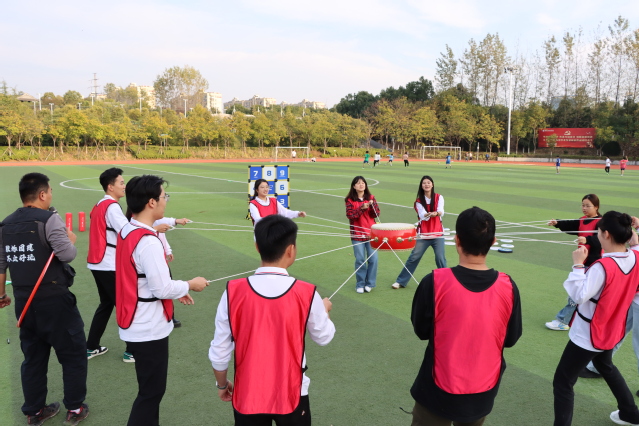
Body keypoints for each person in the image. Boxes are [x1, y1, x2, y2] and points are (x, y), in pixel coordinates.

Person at [209, 215, 335, 425]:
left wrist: (222, 385)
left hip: (248, 393)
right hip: (293, 392)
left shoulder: (233, 291)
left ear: (257, 247)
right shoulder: (306, 293)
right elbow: (324, 337)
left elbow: (220, 350)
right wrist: (324, 310)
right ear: (291, 250)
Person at [409, 206, 522, 426]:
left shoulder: (434, 281)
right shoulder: (508, 286)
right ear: (493, 242)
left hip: (435, 391)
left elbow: (421, 331)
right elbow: (511, 338)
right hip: (483, 390)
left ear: (457, 240)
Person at [116, 175, 209, 426]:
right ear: (151, 202)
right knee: (151, 393)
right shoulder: (147, 240)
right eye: (163, 196)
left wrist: (177, 290)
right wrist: (189, 284)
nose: (165, 200)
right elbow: (161, 288)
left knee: (149, 391)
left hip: (136, 319)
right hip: (147, 325)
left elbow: (148, 280)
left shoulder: (128, 229)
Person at [0, 173, 89, 425]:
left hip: (24, 302)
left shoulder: (5, 224)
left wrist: (2, 294)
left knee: (33, 358)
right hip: (55, 301)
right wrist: (71, 239)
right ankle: (75, 408)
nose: (51, 195)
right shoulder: (49, 219)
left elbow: (1, 263)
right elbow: (67, 254)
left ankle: (35, 411)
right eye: (49, 191)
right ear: (41, 194)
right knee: (72, 354)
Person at [553, 211, 639, 426]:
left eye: (598, 231)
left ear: (606, 234)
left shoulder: (602, 267)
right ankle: (630, 413)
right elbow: (636, 246)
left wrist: (578, 264)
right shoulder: (635, 256)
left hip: (590, 333)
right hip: (612, 328)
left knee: (563, 382)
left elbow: (578, 296)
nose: (596, 235)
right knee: (605, 365)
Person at [86, 167, 133, 362]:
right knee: (125, 305)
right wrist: (152, 227)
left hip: (98, 263)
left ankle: (91, 346)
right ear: (110, 187)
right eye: (121, 183)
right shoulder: (112, 207)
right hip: (108, 263)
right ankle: (131, 350)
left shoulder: (100, 204)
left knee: (106, 304)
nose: (124, 186)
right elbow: (127, 232)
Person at [545, 194, 602, 332]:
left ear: (596, 207)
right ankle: (585, 319)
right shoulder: (582, 220)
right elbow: (571, 225)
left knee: (577, 292)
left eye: (588, 206)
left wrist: (587, 240)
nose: (584, 208)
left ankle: (563, 321)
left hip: (593, 263)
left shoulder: (601, 222)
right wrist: (557, 223)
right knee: (585, 294)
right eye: (583, 205)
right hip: (583, 261)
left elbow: (602, 240)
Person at [392, 176, 447, 289]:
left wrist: (436, 213)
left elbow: (441, 210)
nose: (426, 185)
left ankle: (446, 282)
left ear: (432, 184)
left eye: (428, 182)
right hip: (423, 235)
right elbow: (422, 216)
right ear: (421, 186)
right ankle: (401, 281)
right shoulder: (418, 201)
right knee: (414, 257)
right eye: (424, 183)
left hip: (438, 233)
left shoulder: (439, 197)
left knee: (440, 258)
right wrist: (429, 214)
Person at [345, 176, 380, 294]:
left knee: (373, 259)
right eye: (358, 183)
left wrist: (372, 206)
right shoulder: (349, 200)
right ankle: (360, 283)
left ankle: (370, 283)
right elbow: (350, 215)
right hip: (357, 234)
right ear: (354, 186)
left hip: (371, 234)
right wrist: (361, 208)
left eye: (363, 183)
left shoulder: (371, 198)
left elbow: (376, 214)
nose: (361, 185)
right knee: (360, 260)